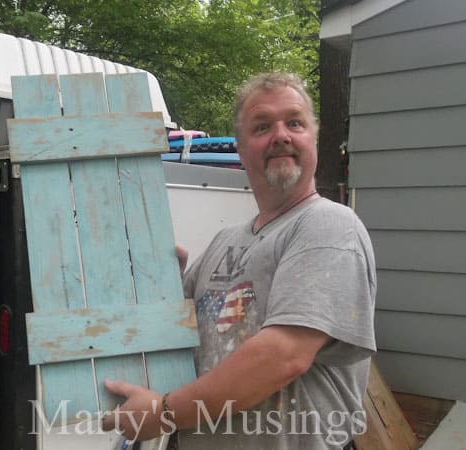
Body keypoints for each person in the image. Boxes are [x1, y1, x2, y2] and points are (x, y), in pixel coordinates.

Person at [102, 72, 376, 449]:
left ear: (313, 138)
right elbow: (174, 339)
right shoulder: (224, 241)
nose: (281, 135)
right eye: (262, 126)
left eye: (294, 122)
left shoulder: (328, 225)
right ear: (241, 148)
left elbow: (283, 355)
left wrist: (163, 413)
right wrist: (159, 287)